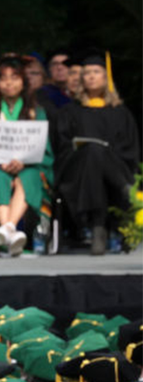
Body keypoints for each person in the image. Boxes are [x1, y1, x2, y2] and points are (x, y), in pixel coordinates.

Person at [55, 50, 139, 255]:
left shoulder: (120, 112)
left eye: (96, 72)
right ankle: (127, 191)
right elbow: (62, 145)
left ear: (106, 77)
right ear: (81, 79)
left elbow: (130, 148)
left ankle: (98, 226)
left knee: (97, 154)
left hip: (115, 167)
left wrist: (104, 153)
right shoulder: (70, 111)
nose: (91, 76)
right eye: (87, 73)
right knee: (92, 152)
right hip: (77, 172)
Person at [0, 56, 55, 257]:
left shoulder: (36, 111)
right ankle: (11, 231)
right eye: (3, 78)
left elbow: (42, 146)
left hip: (29, 167)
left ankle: (6, 229)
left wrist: (23, 161)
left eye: (14, 78)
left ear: (24, 82)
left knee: (28, 177)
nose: (9, 83)